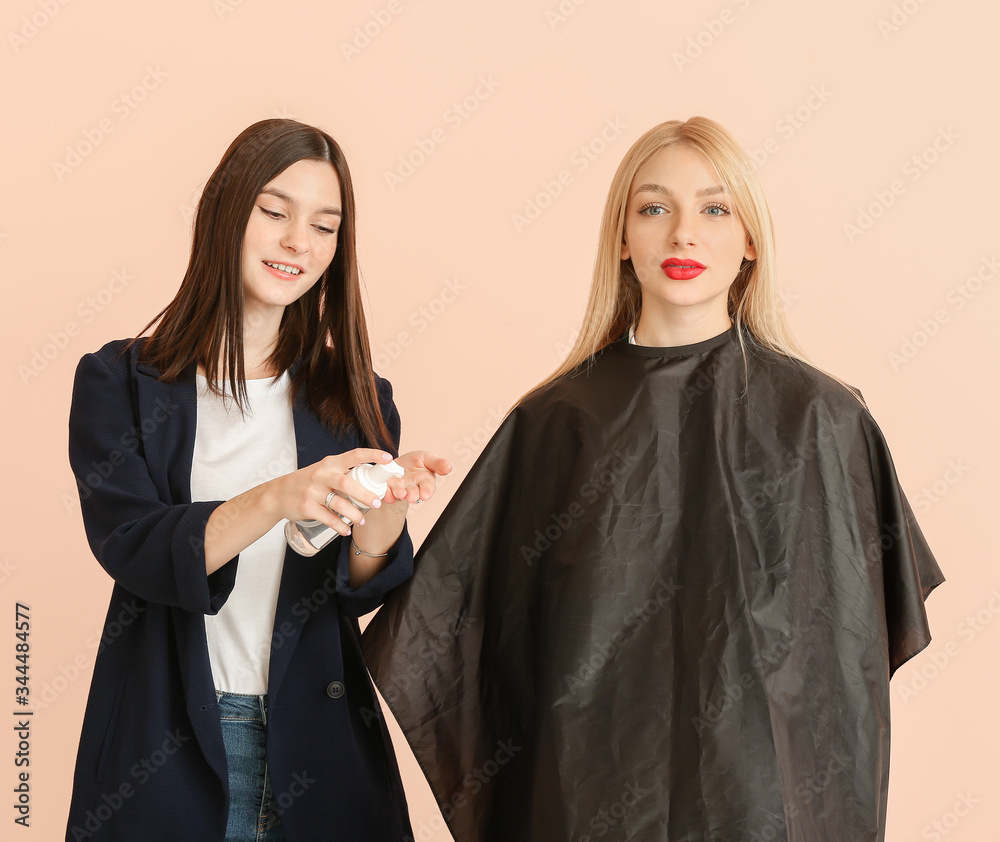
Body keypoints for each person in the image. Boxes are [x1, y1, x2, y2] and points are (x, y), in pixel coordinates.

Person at [362, 116, 944, 841]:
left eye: (714, 208)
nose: (683, 236)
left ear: (751, 239)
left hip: (763, 810)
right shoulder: (554, 424)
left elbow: (846, 661)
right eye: (654, 208)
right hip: (586, 803)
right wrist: (377, 524)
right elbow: (445, 635)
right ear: (622, 238)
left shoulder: (822, 421)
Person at [66, 118, 449, 841]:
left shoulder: (356, 392)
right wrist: (278, 496)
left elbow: (362, 585)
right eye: (274, 212)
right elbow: (134, 546)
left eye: (324, 226)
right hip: (167, 741)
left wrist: (386, 504)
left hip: (323, 740)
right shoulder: (119, 380)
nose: (298, 242)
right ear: (224, 213)